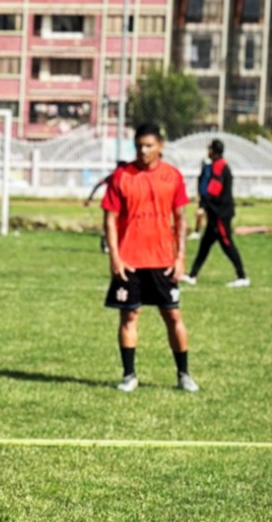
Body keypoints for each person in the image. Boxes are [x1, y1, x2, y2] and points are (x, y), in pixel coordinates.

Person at [101, 123, 197, 394]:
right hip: (130, 261)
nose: (143, 151)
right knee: (129, 316)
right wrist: (115, 258)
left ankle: (184, 374)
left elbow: (180, 219)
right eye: (139, 146)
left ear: (160, 146)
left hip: (163, 261)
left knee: (173, 315)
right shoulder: (122, 176)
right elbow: (109, 220)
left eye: (149, 145)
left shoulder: (172, 177)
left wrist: (180, 258)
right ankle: (129, 375)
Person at [183, 139, 249, 288]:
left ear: (213, 151)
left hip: (221, 213)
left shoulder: (219, 166)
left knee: (227, 244)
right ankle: (193, 275)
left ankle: (242, 276)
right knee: (204, 245)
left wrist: (203, 206)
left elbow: (214, 189)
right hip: (215, 214)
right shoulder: (218, 165)